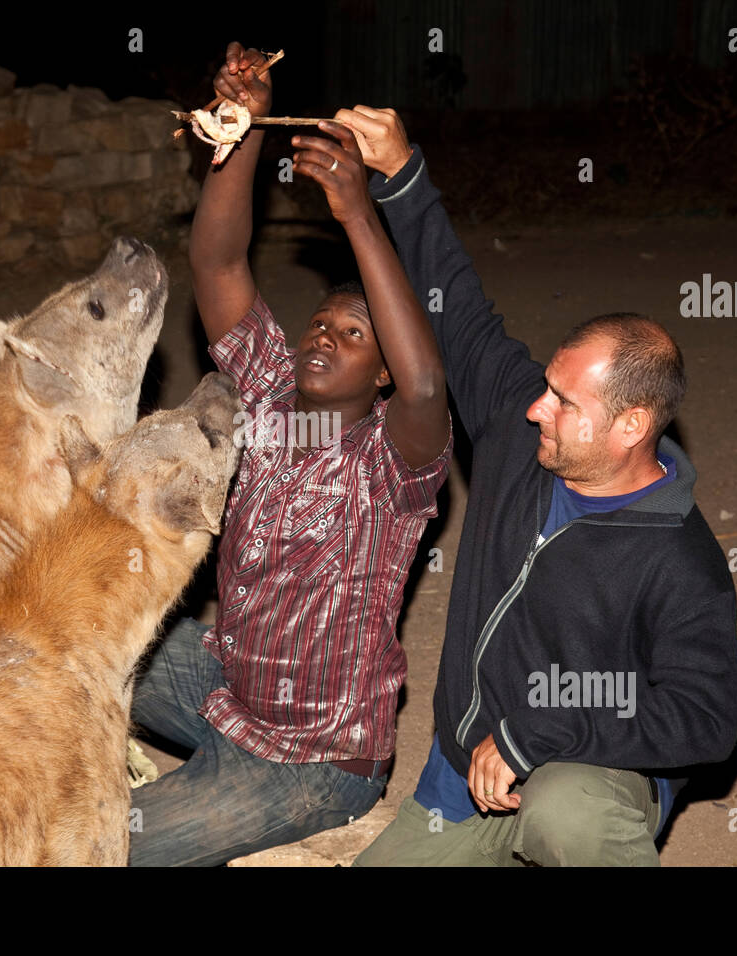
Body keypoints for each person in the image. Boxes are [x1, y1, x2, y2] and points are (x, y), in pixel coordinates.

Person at [333, 106, 737, 866]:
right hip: (464, 777)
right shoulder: (520, 441)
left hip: (583, 773)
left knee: (569, 812)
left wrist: (538, 730)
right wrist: (400, 174)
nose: (534, 407)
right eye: (547, 385)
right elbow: (461, 313)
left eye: (563, 401)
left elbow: (705, 719)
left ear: (630, 427)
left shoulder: (679, 559)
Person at [126, 46, 452, 866]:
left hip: (315, 758)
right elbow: (217, 262)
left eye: (353, 334)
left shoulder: (391, 461)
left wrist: (357, 213)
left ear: (381, 371)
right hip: (227, 689)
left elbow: (424, 388)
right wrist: (236, 138)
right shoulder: (268, 396)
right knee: (67, 637)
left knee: (106, 842)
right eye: (320, 322)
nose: (323, 334)